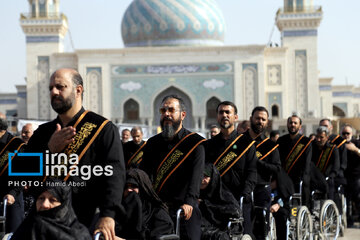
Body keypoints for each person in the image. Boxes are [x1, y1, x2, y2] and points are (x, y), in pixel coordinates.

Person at [25, 68, 125, 240]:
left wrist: (108, 215)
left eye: (60, 87)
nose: (54, 92)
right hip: (45, 220)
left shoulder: (102, 128)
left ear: (78, 90)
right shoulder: (43, 133)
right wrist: (49, 151)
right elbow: (23, 173)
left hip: (84, 221)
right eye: (50, 88)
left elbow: (114, 176)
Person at [140, 95, 205, 240]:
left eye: (171, 110)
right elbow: (145, 175)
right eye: (163, 110)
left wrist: (189, 202)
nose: (166, 114)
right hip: (158, 209)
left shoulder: (195, 143)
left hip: (184, 208)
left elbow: (196, 177)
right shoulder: (152, 143)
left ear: (182, 115)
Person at [205, 101, 257, 237]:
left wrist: (245, 194)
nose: (224, 115)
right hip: (215, 200)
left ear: (235, 117)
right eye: (221, 112)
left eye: (228, 112)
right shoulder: (209, 145)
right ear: (217, 117)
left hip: (239, 198)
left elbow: (252, 173)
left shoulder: (246, 144)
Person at [243, 106, 281, 240]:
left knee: (260, 230)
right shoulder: (239, 141)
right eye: (257, 118)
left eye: (263, 119)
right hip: (243, 190)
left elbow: (276, 169)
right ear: (251, 119)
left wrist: (258, 162)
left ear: (267, 122)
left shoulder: (270, 146)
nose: (260, 121)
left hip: (261, 190)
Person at [11, 178, 92, 240]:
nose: (44, 205)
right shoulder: (26, 229)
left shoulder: (79, 235)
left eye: (52, 200)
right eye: (41, 198)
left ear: (64, 205)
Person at [117, 168, 174, 240]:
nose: (129, 190)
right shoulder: (118, 214)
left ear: (143, 189)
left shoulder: (159, 215)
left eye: (133, 186)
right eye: (126, 187)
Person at [199, 163, 240, 240]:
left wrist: (205, 204)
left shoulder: (224, 195)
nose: (202, 180)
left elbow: (234, 213)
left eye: (206, 177)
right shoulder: (195, 194)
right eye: (200, 176)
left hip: (221, 231)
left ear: (213, 178)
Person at [277, 115, 312, 206]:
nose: (292, 125)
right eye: (290, 123)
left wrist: (303, 177)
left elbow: (307, 163)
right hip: (284, 178)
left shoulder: (306, 141)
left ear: (300, 126)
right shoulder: (281, 140)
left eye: (295, 123)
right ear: (287, 125)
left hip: (299, 178)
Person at [0, 117, 25, 233]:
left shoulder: (17, 145)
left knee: (13, 234)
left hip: (12, 198)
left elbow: (24, 175)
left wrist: (12, 193)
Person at [312, 126, 340, 200]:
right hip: (313, 178)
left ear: (327, 137)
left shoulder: (332, 149)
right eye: (317, 137)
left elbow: (336, 166)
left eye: (321, 137)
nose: (318, 139)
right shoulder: (312, 147)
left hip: (326, 178)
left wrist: (331, 176)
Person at [319, 119, 347, 186]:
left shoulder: (339, 141)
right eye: (321, 126)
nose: (323, 128)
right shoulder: (317, 141)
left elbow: (343, 161)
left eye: (326, 126)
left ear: (331, 127)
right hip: (321, 173)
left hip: (335, 173)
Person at [342, 124, 360, 226]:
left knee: (358, 198)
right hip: (344, 177)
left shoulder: (357, 143)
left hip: (357, 176)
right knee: (346, 200)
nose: (345, 135)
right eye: (343, 133)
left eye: (347, 133)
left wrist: (355, 149)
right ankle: (349, 220)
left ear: (351, 134)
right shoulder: (339, 144)